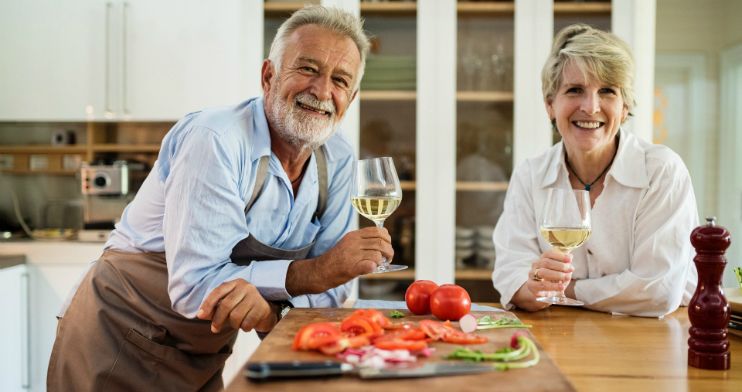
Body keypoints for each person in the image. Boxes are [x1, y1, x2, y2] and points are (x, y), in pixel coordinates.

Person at [47, 6, 391, 391]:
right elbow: (196, 283)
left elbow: (329, 294)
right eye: (308, 69)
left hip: (203, 351)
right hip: (117, 339)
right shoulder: (216, 140)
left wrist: (272, 313)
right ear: (269, 76)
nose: (322, 90)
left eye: (340, 79)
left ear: (352, 96)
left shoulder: (338, 158)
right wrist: (313, 273)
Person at [492, 24, 698, 318]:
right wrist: (533, 287)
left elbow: (657, 290)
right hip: (557, 337)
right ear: (551, 104)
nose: (590, 107)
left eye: (607, 91)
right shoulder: (530, 174)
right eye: (575, 90)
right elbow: (510, 275)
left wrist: (562, 290)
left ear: (625, 107)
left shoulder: (661, 171)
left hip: (653, 341)